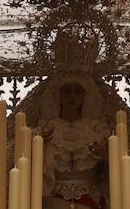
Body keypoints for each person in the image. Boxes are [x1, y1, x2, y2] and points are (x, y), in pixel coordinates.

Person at [40, 79, 110, 209]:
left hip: (90, 199)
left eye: (78, 91)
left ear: (86, 96)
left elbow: (108, 173)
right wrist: (40, 147)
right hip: (53, 199)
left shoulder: (97, 129)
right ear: (58, 95)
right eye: (66, 90)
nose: (72, 96)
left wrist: (107, 158)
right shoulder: (46, 128)